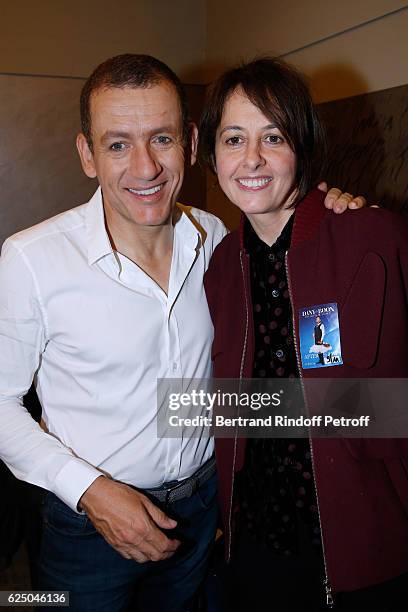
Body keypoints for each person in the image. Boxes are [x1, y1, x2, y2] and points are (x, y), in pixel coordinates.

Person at [0, 52, 365, 611]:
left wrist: (326, 206)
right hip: (86, 526)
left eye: (162, 140)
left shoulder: (217, 239)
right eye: (117, 143)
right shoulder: (31, 258)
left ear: (192, 145)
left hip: (202, 513)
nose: (144, 168)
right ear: (86, 154)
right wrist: (90, 491)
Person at [202, 57, 408, 611]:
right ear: (213, 154)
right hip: (256, 547)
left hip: (367, 547)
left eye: (274, 136)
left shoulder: (376, 238)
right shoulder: (220, 266)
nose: (251, 159)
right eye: (233, 138)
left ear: (304, 146)